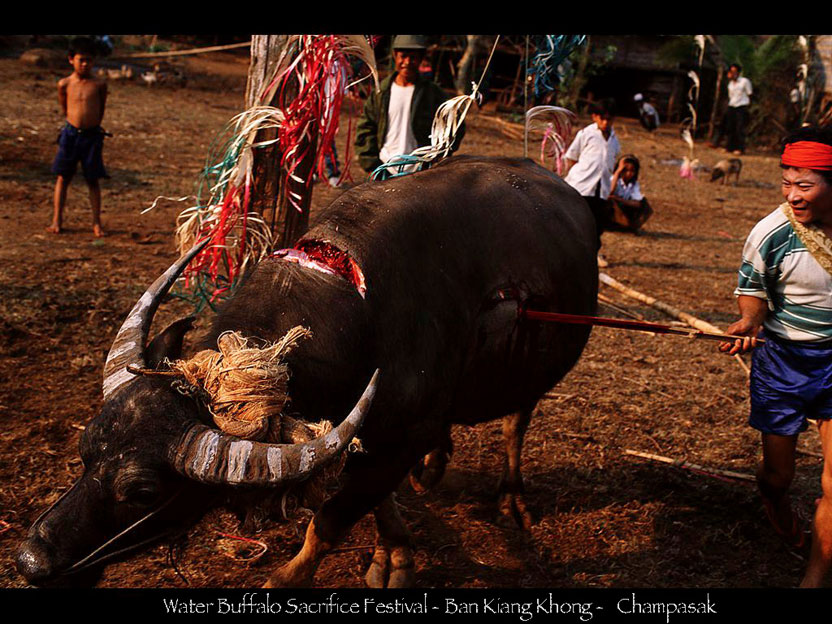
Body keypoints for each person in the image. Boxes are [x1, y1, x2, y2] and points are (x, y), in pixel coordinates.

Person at [719, 125, 832, 588]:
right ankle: (775, 499)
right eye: (786, 182)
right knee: (777, 475)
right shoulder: (771, 232)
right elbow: (753, 295)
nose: (793, 194)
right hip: (782, 363)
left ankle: (816, 578)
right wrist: (749, 322)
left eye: (805, 184)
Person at [354, 35, 464, 175]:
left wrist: (437, 157)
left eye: (413, 57)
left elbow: (456, 125)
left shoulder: (433, 94)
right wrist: (371, 164)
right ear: (395, 56)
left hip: (421, 171)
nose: (407, 62)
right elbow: (366, 127)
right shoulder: (381, 93)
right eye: (403, 56)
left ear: (421, 58)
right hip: (385, 168)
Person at [48, 36, 108, 237]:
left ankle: (97, 223)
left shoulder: (99, 84)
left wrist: (92, 127)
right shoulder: (64, 84)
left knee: (93, 180)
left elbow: (101, 110)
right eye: (81, 59)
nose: (85, 64)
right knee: (63, 177)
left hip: (91, 137)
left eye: (89, 60)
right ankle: (57, 219)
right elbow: (65, 108)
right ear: (71, 59)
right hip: (71, 135)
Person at [562, 98, 621, 267]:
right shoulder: (586, 134)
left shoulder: (614, 139)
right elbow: (572, 157)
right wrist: (576, 176)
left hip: (601, 188)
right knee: (575, 220)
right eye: (601, 118)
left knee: (596, 223)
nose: (605, 122)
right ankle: (568, 252)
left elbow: (611, 161)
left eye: (609, 119)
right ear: (595, 117)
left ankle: (593, 253)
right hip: (581, 185)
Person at [712, 64, 752, 155]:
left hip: (741, 106)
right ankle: (729, 147)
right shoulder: (730, 84)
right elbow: (731, 97)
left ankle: (740, 149)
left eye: (734, 71)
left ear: (738, 72)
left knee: (740, 128)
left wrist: (747, 107)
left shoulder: (744, 81)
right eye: (731, 71)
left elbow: (750, 93)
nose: (732, 74)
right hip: (732, 106)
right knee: (730, 127)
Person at [607, 154, 652, 233]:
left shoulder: (634, 184)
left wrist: (620, 200)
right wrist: (617, 172)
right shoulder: (614, 179)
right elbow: (610, 192)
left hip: (623, 207)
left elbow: (637, 203)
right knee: (611, 201)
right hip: (612, 210)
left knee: (644, 204)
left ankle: (629, 226)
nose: (628, 174)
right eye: (625, 170)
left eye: (632, 171)